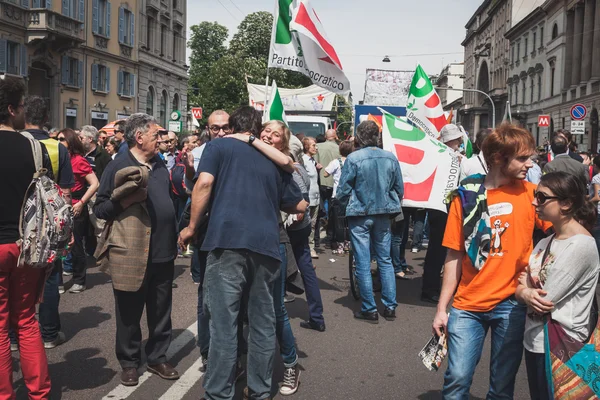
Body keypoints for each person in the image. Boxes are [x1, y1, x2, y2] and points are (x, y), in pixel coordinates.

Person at [179, 107, 306, 400]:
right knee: (262, 323)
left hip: (227, 242)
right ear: (255, 129)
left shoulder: (218, 146)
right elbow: (299, 205)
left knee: (224, 324)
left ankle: (218, 394)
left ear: (232, 126)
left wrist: (191, 227)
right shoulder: (271, 158)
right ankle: (260, 391)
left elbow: (205, 183)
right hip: (266, 245)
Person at [432, 123, 552, 399]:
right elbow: (454, 255)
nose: (530, 164)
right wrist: (442, 308)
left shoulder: (533, 194)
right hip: (468, 305)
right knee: (457, 379)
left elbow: (564, 230)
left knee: (502, 387)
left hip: (512, 305)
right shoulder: (466, 197)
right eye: (523, 158)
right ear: (499, 158)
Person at [95, 113, 179, 387]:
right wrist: (126, 201)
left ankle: (157, 357)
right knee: (129, 312)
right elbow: (100, 208)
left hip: (163, 250)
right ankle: (130, 363)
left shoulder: (160, 164)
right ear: (139, 137)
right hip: (130, 250)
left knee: (161, 310)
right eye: (157, 135)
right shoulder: (118, 165)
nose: (162, 140)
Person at [515, 172, 599, 400]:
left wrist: (525, 289)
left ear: (566, 204)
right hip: (535, 340)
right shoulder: (545, 241)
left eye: (542, 197)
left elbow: (544, 300)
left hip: (565, 345)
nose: (535, 202)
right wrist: (524, 291)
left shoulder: (581, 245)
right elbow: (522, 286)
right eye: (535, 195)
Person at [0, 77, 52, 399]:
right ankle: (39, 394)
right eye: (20, 108)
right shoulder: (34, 147)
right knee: (27, 322)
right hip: (26, 245)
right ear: (10, 109)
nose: (23, 113)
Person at [337, 120, 404, 323]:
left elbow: (343, 190)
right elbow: (399, 188)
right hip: (383, 213)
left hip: (360, 213)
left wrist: (341, 207)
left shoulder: (353, 158)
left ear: (358, 137)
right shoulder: (390, 158)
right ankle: (390, 306)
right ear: (377, 136)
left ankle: (370, 308)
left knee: (363, 262)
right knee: (385, 260)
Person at [22, 95, 75, 349]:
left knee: (17, 277)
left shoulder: (14, 141)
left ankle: (13, 337)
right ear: (46, 119)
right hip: (50, 222)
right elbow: (66, 192)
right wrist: (68, 229)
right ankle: (49, 333)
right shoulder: (57, 148)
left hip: (18, 219)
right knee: (50, 276)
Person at [420, 124, 463, 303]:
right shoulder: (451, 157)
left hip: (439, 206)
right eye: (458, 139)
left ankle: (432, 287)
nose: (460, 142)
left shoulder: (436, 155)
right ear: (452, 140)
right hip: (444, 207)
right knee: (441, 249)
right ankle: (431, 288)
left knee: (438, 249)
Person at [57, 129, 99, 293]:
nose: (58, 141)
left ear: (70, 141)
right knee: (57, 245)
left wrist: (82, 202)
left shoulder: (79, 160)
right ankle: (58, 282)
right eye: (57, 138)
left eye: (61, 139)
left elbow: (95, 183)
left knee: (76, 246)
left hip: (75, 206)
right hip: (58, 207)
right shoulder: (57, 158)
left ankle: (79, 280)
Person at [323, 140, 353, 254]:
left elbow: (326, 173)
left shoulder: (336, 162)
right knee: (349, 222)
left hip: (337, 195)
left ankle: (340, 246)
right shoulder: (353, 161)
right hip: (351, 195)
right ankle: (348, 244)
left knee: (339, 222)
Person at [315, 129, 341, 240]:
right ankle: (331, 237)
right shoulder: (340, 148)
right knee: (333, 212)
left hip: (321, 181)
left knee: (317, 212)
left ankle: (316, 239)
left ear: (326, 136)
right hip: (334, 183)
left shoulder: (317, 147)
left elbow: (316, 164)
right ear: (335, 136)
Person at [303, 136, 322, 259]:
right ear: (306, 147)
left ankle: (310, 247)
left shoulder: (312, 160)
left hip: (316, 197)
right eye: (313, 145)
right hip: (307, 197)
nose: (316, 147)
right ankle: (307, 248)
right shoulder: (303, 160)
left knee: (313, 224)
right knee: (306, 224)